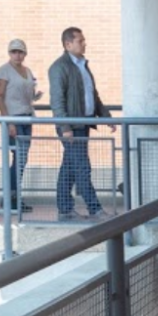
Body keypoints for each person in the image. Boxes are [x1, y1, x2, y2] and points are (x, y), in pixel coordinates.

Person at [48, 26, 113, 220]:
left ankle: (65, 210)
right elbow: (57, 100)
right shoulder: (59, 67)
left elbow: (93, 95)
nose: (84, 44)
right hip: (71, 127)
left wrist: (106, 117)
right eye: (80, 41)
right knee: (82, 167)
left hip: (83, 124)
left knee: (69, 167)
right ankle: (95, 209)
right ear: (68, 44)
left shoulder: (83, 65)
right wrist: (65, 127)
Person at [0, 38, 41, 213]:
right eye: (14, 52)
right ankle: (11, 197)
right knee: (18, 157)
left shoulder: (27, 71)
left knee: (22, 158)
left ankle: (13, 196)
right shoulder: (4, 70)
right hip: (13, 117)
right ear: (9, 53)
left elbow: (27, 92)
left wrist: (35, 96)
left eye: (20, 52)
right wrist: (9, 121)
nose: (17, 55)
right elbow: (0, 97)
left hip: (27, 116)